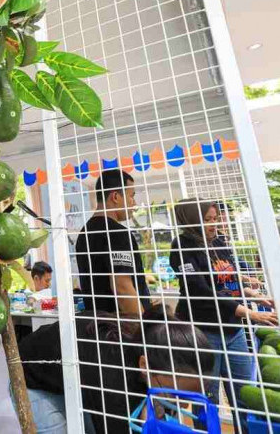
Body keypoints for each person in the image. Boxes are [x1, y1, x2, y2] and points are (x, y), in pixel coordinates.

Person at [169, 198, 277, 433]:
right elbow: (200, 289)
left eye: (215, 219)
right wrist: (247, 312)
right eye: (207, 220)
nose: (213, 224)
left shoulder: (219, 242)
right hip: (205, 332)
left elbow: (230, 280)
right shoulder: (182, 247)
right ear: (192, 220)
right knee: (207, 399)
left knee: (244, 394)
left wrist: (255, 297)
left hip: (233, 331)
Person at [18, 307, 214, 433]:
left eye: (188, 398)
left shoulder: (147, 342)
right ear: (144, 365)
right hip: (33, 378)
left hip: (80, 374)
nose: (182, 406)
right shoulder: (114, 380)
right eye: (174, 395)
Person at [76, 169, 151, 316]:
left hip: (97, 325)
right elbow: (122, 287)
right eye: (131, 196)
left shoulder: (85, 232)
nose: (134, 203)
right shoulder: (117, 232)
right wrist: (145, 326)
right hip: (123, 326)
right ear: (116, 196)